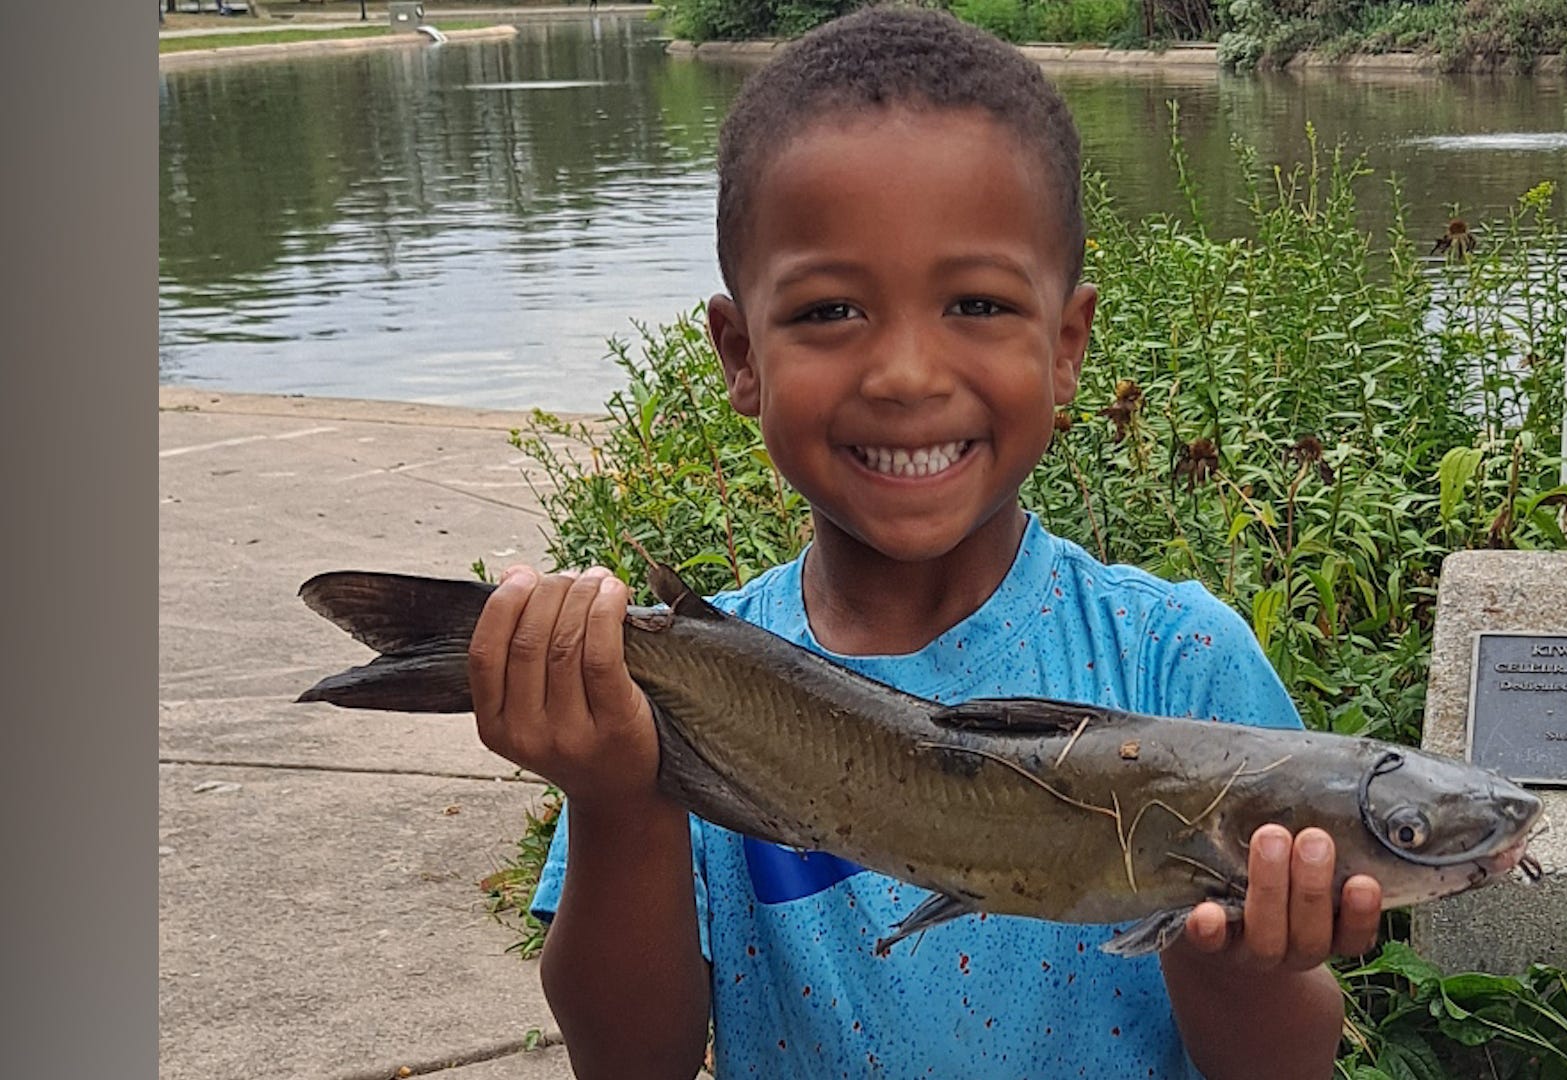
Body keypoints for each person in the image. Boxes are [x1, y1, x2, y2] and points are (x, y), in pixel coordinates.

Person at [467, 8, 1381, 1078]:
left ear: (1067, 344)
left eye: (978, 303)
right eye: (830, 311)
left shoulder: (1178, 665)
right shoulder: (680, 692)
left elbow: (1284, 1069)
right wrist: (615, 798)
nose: (905, 372)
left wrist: (1241, 950)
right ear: (739, 352)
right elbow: (633, 1060)